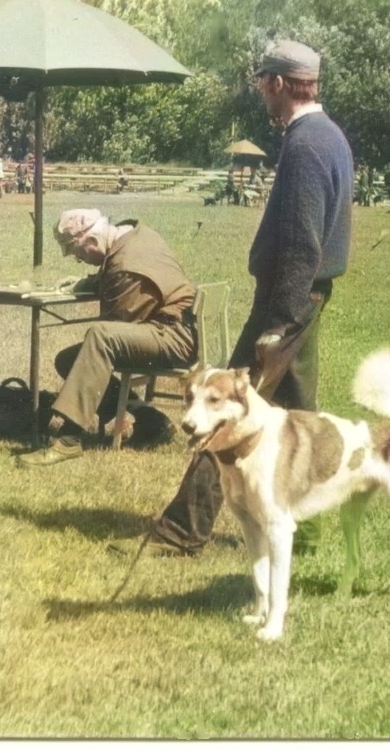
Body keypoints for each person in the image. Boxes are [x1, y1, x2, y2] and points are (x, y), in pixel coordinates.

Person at [137, 39, 354, 557]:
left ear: (279, 83)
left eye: (262, 84)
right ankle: (306, 530)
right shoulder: (330, 136)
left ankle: (181, 531)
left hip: (286, 302)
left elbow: (301, 243)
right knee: (301, 421)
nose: (261, 94)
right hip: (308, 299)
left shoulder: (304, 144)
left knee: (223, 414)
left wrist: (277, 324)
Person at [17, 209, 197, 467]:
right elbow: (123, 276)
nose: (79, 260)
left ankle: (69, 439)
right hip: (179, 330)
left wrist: (103, 283)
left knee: (101, 338)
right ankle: (151, 419)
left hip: (173, 338)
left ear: (91, 240)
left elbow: (118, 322)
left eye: (78, 253)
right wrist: (93, 282)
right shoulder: (138, 235)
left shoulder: (124, 266)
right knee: (69, 359)